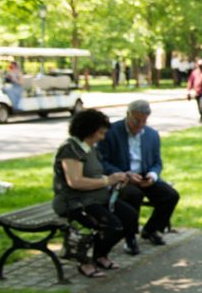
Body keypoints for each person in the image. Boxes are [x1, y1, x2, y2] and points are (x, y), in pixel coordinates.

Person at [52, 109, 137, 278]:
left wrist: (120, 177)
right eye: (100, 133)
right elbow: (75, 181)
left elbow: (97, 174)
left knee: (129, 218)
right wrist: (108, 181)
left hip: (96, 198)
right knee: (112, 225)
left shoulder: (91, 149)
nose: (102, 137)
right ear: (88, 131)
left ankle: (100, 255)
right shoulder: (70, 149)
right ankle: (85, 261)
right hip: (75, 202)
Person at [98, 100, 180, 254]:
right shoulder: (111, 132)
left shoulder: (152, 134)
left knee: (170, 195)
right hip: (122, 177)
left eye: (144, 121)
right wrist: (125, 175)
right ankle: (130, 237)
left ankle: (151, 229)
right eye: (136, 120)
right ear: (128, 114)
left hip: (144, 175)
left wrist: (152, 175)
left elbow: (157, 162)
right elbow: (103, 162)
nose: (140, 125)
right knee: (132, 195)